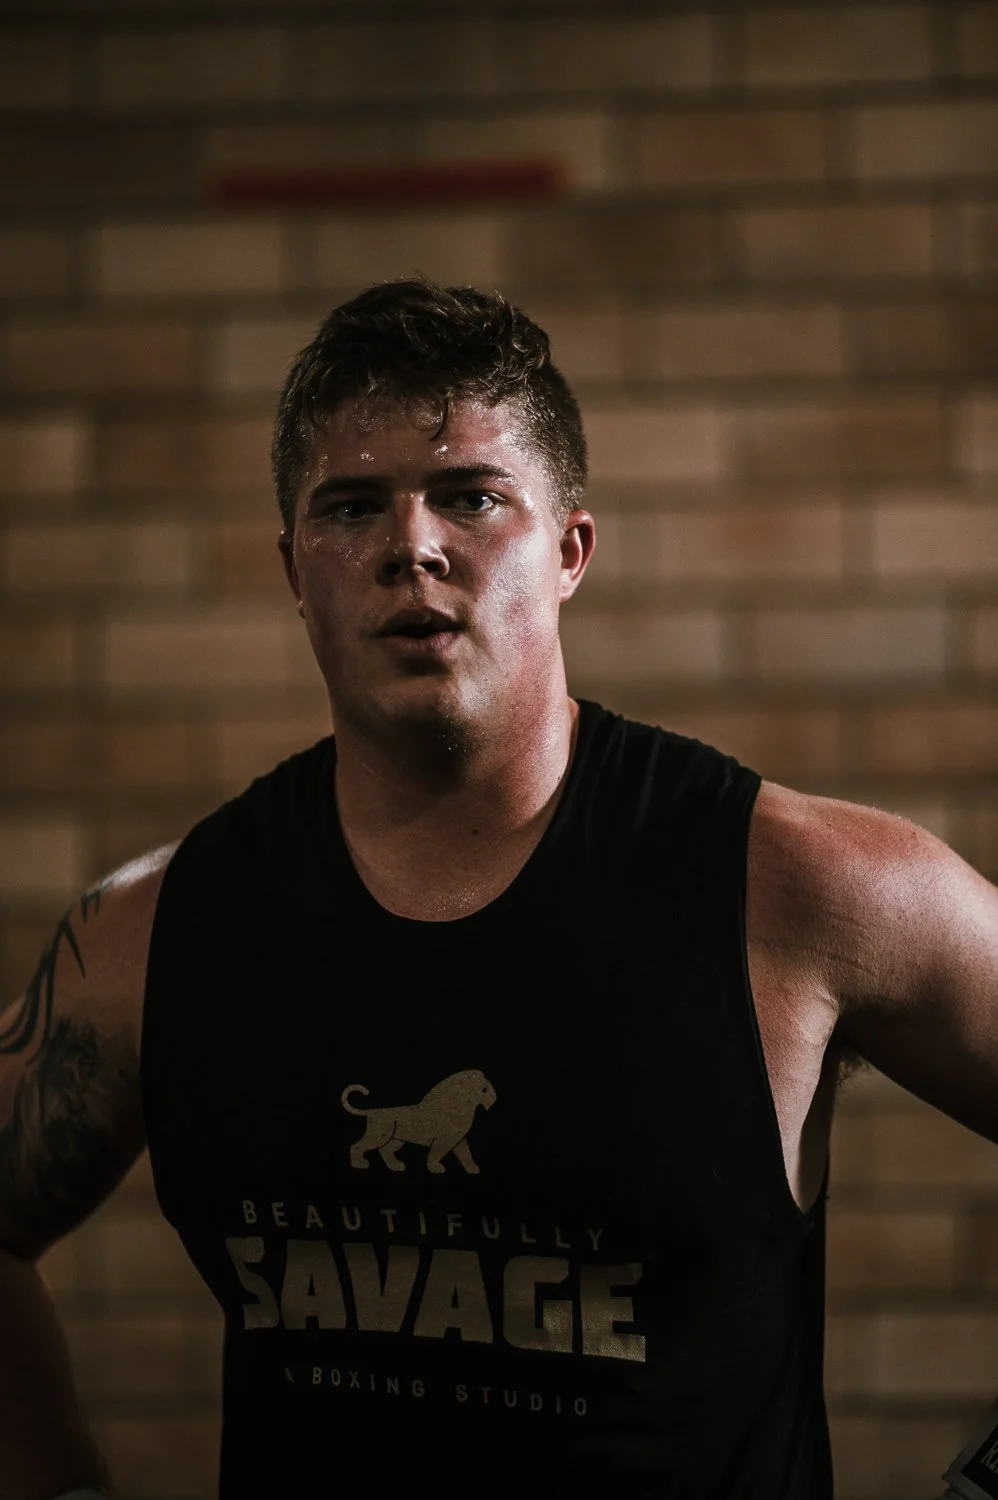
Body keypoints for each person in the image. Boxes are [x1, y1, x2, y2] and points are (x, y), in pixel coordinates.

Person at [1, 277, 996, 1500]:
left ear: (569, 550)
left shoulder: (802, 887)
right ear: (293, 569)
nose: (409, 546)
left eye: (471, 497)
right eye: (351, 506)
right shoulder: (155, 933)